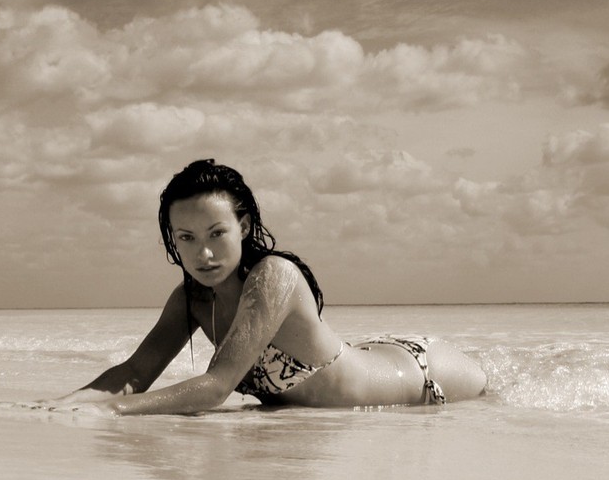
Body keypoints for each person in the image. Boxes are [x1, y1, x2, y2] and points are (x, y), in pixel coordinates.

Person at [30, 159, 487, 416]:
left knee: (501, 403)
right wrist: (57, 407)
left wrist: (109, 414)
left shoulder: (273, 277)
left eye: (216, 234)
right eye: (186, 239)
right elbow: (133, 374)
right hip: (365, 353)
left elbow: (216, 388)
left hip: (422, 374)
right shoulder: (191, 299)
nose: (202, 255)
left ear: (243, 226)